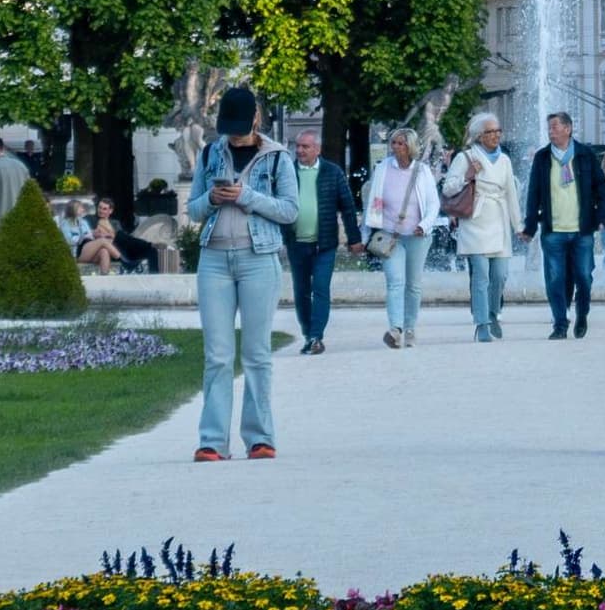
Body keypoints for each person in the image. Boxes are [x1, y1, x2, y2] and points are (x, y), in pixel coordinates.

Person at [187, 86, 298, 458]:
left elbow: (289, 211)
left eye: (240, 125)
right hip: (214, 260)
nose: (233, 134)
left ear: (255, 118)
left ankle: (260, 437)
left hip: (258, 258)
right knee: (217, 355)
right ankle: (212, 441)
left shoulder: (277, 158)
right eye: (227, 126)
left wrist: (246, 196)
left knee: (256, 353)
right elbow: (193, 209)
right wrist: (212, 199)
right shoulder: (209, 152)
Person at [522, 112, 605, 340]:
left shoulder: (585, 155)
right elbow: (534, 194)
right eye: (549, 128)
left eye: (555, 127)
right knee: (555, 279)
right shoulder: (542, 158)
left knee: (584, 277)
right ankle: (560, 323)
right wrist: (530, 227)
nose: (550, 131)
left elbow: (601, 187)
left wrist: (602, 216)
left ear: (568, 129)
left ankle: (582, 314)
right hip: (553, 231)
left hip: (582, 230)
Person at [442, 112, 524, 341]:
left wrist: (519, 226)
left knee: (500, 275)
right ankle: (482, 323)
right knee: (481, 276)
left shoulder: (505, 160)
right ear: (479, 135)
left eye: (498, 131)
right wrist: (468, 175)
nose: (495, 135)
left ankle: (492, 312)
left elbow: (511, 195)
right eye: (490, 131)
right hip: (475, 222)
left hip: (498, 220)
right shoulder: (466, 158)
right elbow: (448, 188)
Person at [283, 126, 360, 354]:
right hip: (296, 242)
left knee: (321, 288)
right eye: (297, 146)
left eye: (305, 146)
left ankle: (316, 336)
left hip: (324, 243)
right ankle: (308, 333)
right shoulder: (287, 172)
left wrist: (354, 238)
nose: (299, 151)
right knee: (301, 291)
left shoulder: (332, 172)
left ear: (317, 149)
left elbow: (347, 207)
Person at [365, 124, 442, 348]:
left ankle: (410, 327)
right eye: (394, 143)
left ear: (410, 147)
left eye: (401, 143)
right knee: (395, 282)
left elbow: (433, 203)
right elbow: (374, 200)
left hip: (417, 236)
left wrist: (425, 224)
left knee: (413, 285)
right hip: (391, 236)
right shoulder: (383, 169)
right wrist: (369, 229)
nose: (396, 147)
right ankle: (395, 328)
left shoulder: (422, 171)